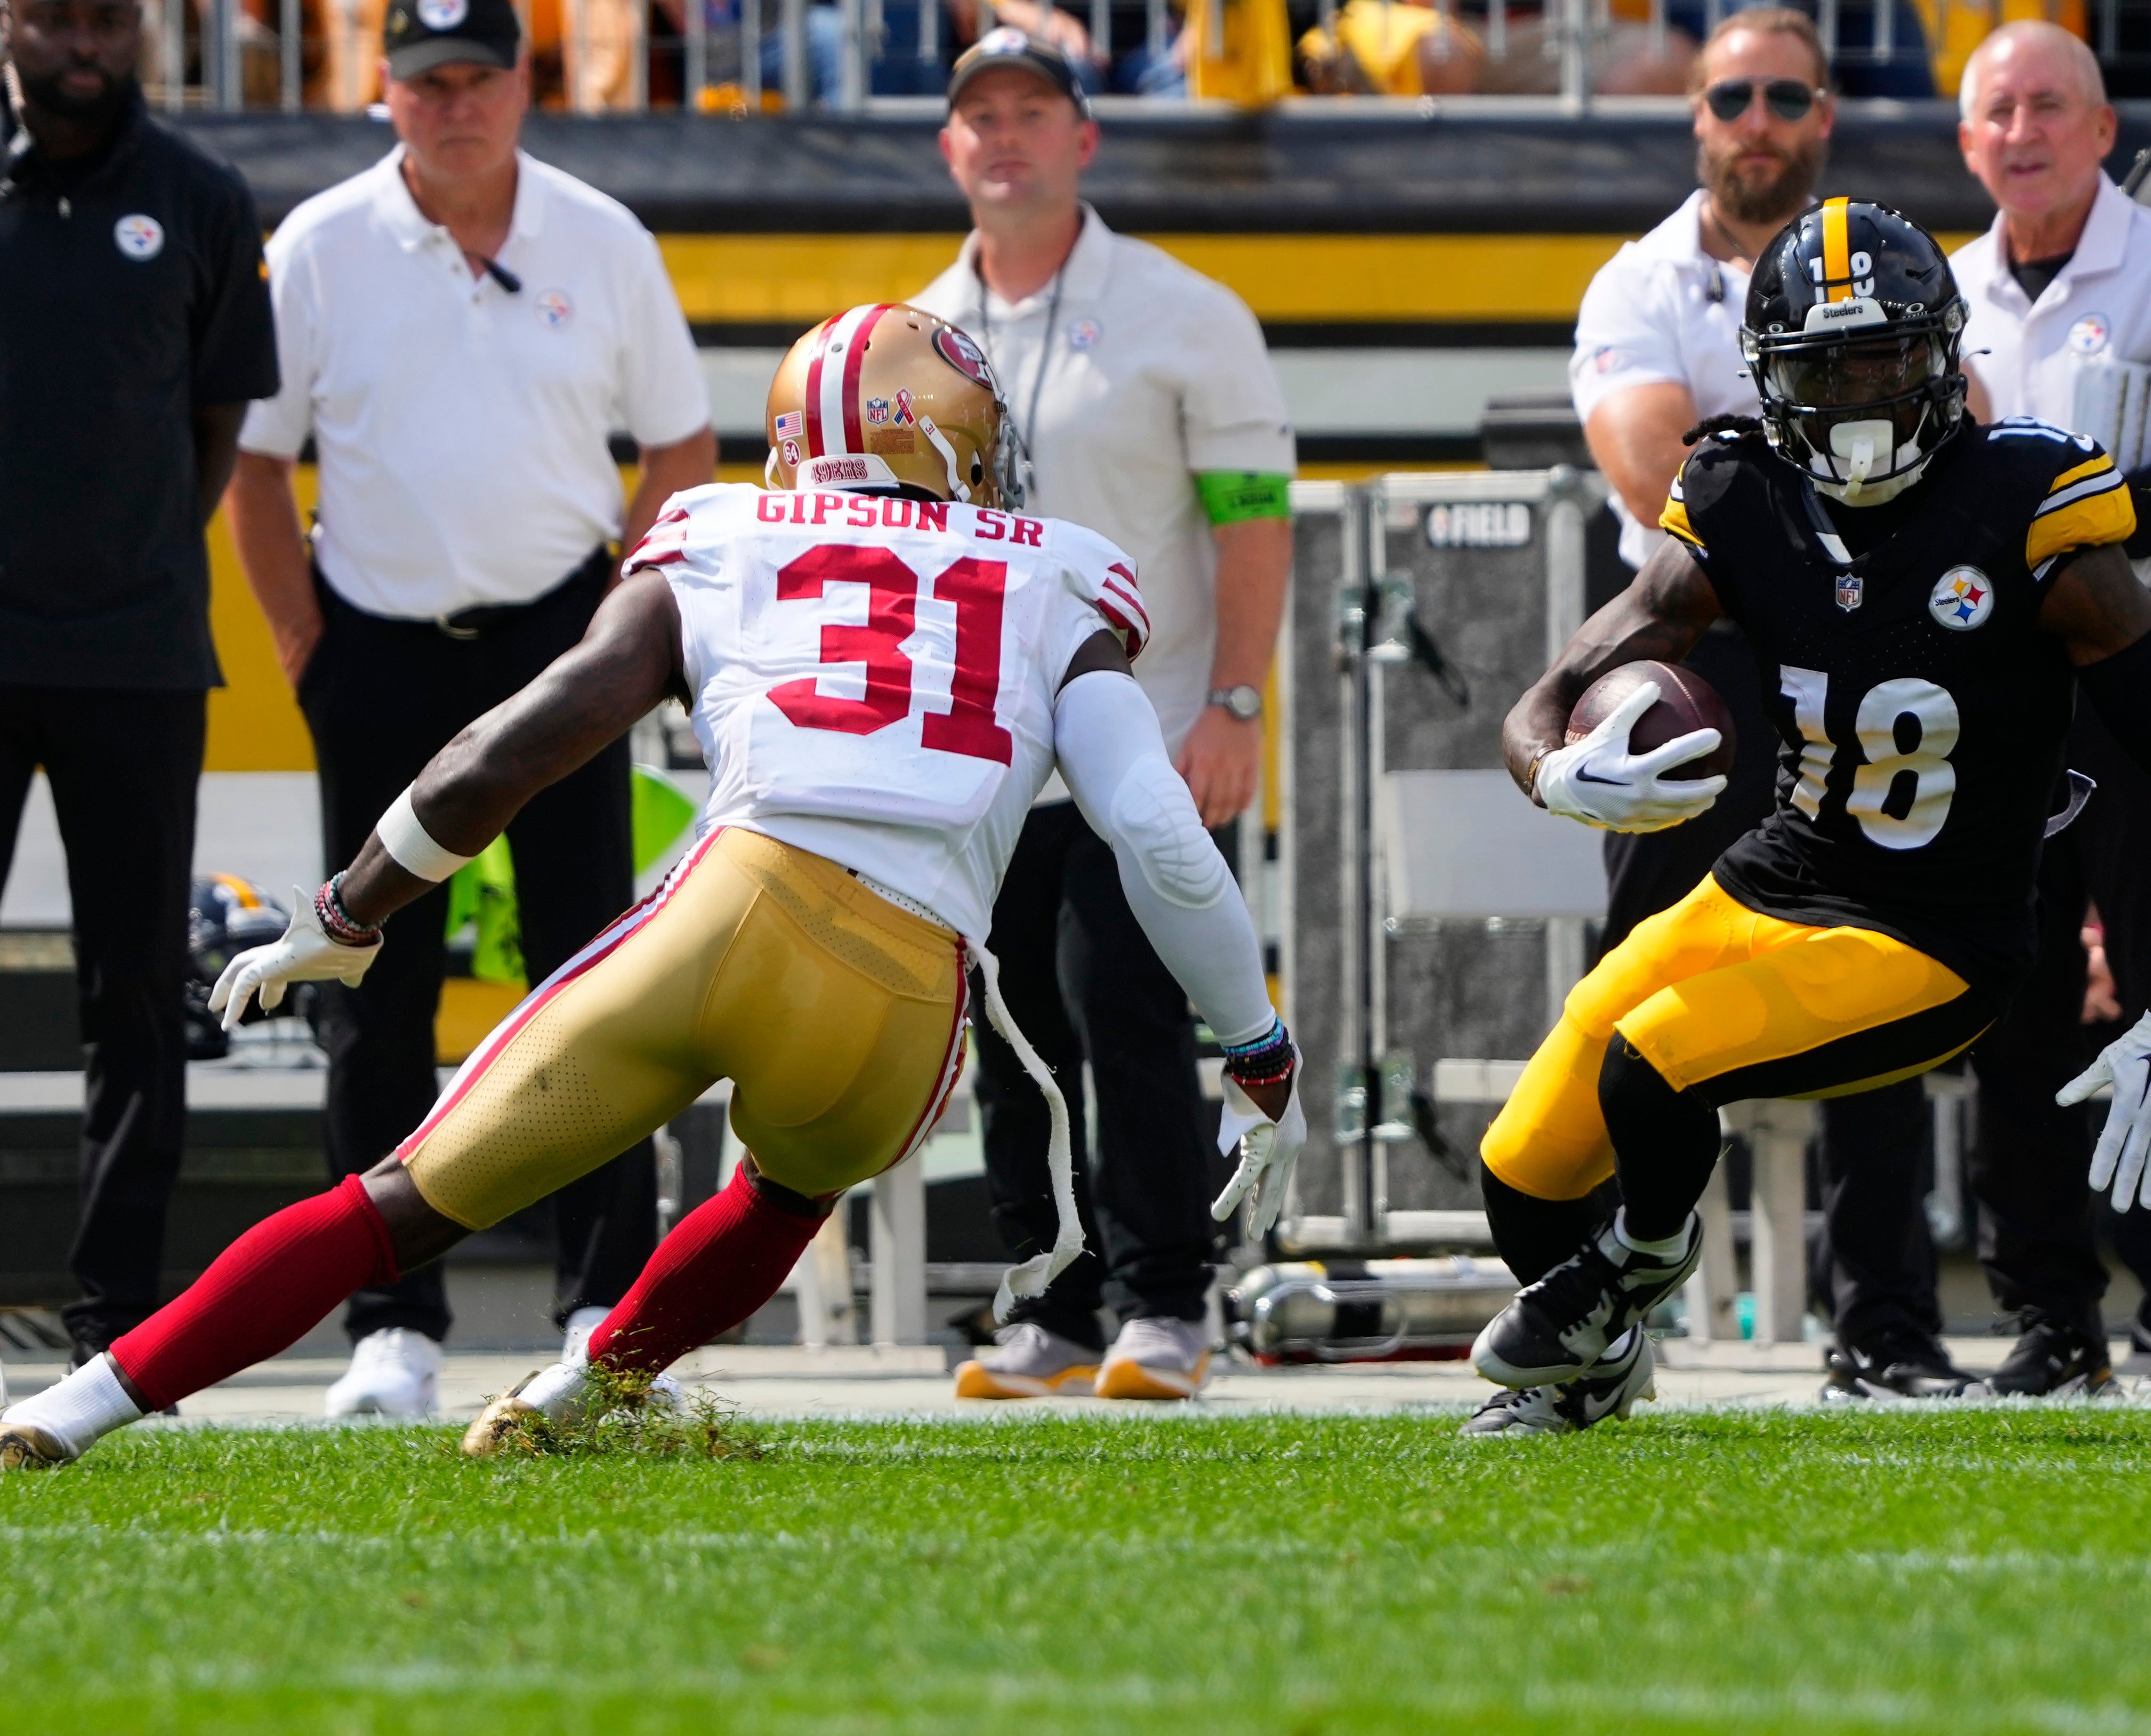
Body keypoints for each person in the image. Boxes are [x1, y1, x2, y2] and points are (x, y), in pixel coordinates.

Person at [0, 306, 1307, 1473]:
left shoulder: (727, 532)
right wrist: (1255, 1048)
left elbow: (511, 743)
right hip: (907, 999)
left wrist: (351, 911)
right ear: (962, 437)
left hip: (731, 913)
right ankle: (587, 1386)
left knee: (394, 1206)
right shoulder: (1057, 570)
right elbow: (1152, 827)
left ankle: (75, 1408)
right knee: (786, 1194)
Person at [1461, 200, 2151, 1436]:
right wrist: (1554, 768)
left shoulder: (2028, 499)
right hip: (1773, 882)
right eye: (1826, 368)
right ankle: (1587, 1375)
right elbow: (1551, 691)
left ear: (1945, 356)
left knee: (1652, 1061)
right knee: (1522, 1165)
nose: (1864, 396)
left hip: (1938, 932)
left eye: (1886, 358)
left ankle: (1637, 1268)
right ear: (1768, 381)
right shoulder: (1737, 489)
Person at [223, 0, 717, 1418]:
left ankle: (603, 1307)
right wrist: (299, 636)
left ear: (522, 85)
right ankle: (394, 1325)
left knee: (592, 982)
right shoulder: (317, 243)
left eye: (478, 78)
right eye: (427, 82)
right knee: (370, 983)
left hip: (565, 646)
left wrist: (629, 611)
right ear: (383, 95)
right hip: (375, 648)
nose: (455, 106)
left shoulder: (602, 236)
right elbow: (259, 462)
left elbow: (680, 440)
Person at [1568, 7, 1963, 1402]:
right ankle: (1595, 1317)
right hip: (1697, 674)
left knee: (1870, 988)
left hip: (1866, 667)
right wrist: (1838, 463)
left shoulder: (1895, 263)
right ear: (1694, 115)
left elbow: (1952, 432)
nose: (1755, 119)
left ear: (1822, 118)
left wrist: (1760, 457)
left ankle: (1886, 1328)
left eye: (1781, 95)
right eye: (1730, 94)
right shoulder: (1634, 283)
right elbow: (1650, 477)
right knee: (1639, 993)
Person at [911, 33, 1296, 1402]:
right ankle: (1048, 1302)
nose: (1002, 136)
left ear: (1087, 137)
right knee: (1009, 1025)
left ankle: (1166, 1303)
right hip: (985, 753)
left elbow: (1250, 521)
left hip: (1149, 729)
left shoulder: (1184, 307)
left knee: (1124, 1011)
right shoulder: (917, 327)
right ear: (947, 147)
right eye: (978, 117)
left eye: (1032, 111)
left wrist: (1237, 704)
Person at [1945, 21, 2151, 1397]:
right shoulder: (1944, 287)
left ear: (2100, 129)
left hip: (2150, 653)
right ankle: (2048, 1313)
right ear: (1970, 145)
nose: (2021, 131)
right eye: (1997, 113)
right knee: (2005, 987)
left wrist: (2061, 539)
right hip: (1997, 673)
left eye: (2048, 107)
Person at [0, 0, 277, 1383]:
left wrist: (130, 555)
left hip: (138, 651)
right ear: (12, 25)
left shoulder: (202, 198)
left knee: (133, 994)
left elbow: (217, 422)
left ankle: (115, 1322)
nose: (82, 44)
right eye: (56, 18)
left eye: (108, 18)